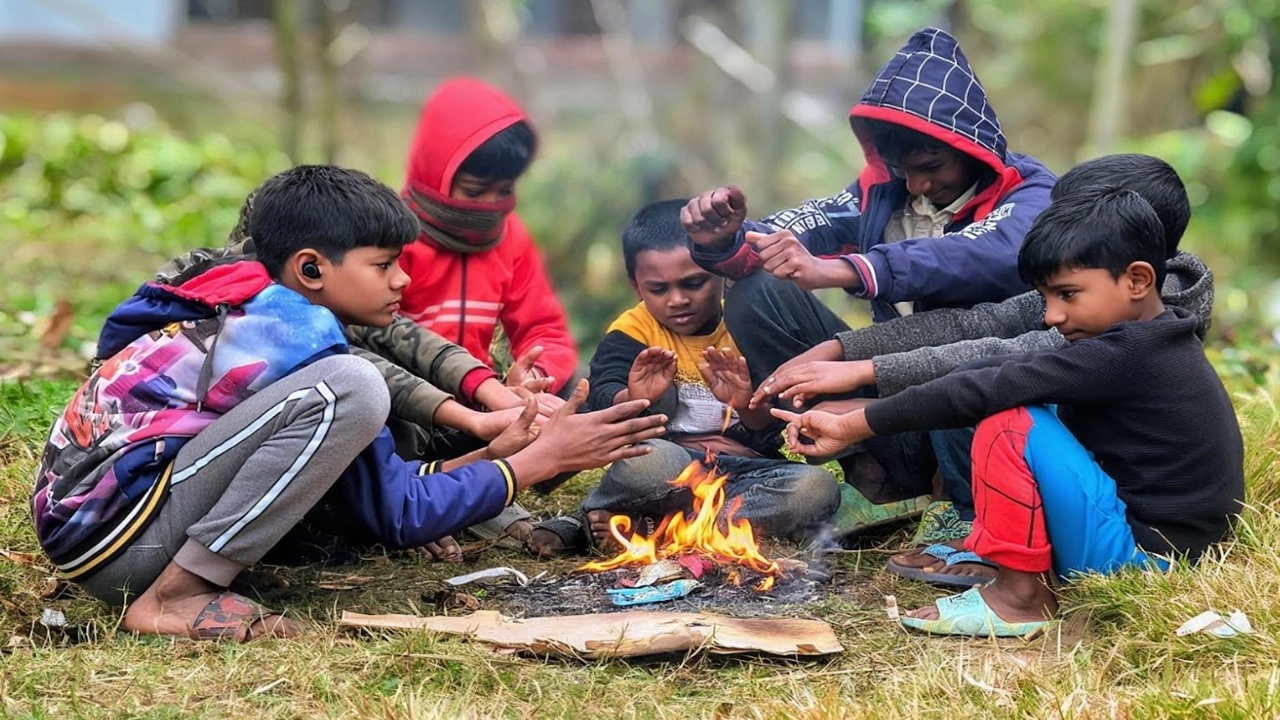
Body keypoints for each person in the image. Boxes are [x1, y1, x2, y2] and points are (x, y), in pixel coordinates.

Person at [31, 165, 668, 642]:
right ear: (311, 269)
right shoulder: (290, 338)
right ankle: (178, 595)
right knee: (355, 385)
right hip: (120, 543)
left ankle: (189, 576)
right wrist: (538, 462)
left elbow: (384, 493)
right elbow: (399, 515)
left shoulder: (270, 308)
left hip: (114, 528)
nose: (402, 279)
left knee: (353, 389)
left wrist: (493, 454)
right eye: (384, 264)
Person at [774, 186, 1244, 637]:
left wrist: (853, 423)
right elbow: (1000, 367)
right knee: (1017, 392)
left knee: (1008, 420)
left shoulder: (1126, 354)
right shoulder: (1154, 336)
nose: (1051, 315)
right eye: (1046, 299)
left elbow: (988, 387)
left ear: (1137, 280)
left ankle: (1019, 598)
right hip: (1165, 547)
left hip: (1145, 560)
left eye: (1068, 294)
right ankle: (1000, 551)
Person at [681, 27, 1056, 388]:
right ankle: (820, 429)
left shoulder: (1030, 192)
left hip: (980, 383)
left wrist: (843, 270)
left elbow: (984, 255)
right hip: (882, 373)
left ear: (971, 148)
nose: (916, 186)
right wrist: (725, 237)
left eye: (931, 167)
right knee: (759, 291)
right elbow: (804, 227)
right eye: (902, 170)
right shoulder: (881, 190)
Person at [528, 200, 840, 555]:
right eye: (659, 289)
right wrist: (637, 397)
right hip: (670, 466)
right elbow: (601, 393)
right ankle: (595, 514)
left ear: (720, 272)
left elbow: (772, 425)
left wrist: (744, 404)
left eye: (693, 283)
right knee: (644, 463)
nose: (677, 300)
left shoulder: (748, 319)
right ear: (636, 286)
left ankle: (671, 530)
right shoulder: (634, 329)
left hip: (747, 471)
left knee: (815, 487)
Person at [398, 76, 578, 397]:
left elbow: (544, 329)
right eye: (474, 191)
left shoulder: (510, 236)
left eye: (504, 191)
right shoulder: (390, 234)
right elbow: (368, 335)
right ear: (437, 174)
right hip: (406, 399)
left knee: (579, 384)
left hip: (484, 397)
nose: (491, 204)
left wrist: (534, 375)